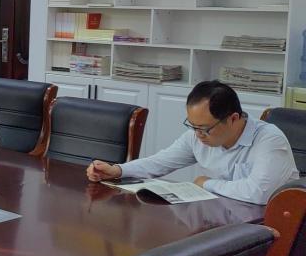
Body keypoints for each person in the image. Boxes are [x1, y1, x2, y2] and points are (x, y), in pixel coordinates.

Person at [87, 80, 298, 205]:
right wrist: (117, 170)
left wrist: (206, 183)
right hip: (224, 216)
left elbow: (260, 193)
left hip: (269, 225)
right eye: (193, 126)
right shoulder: (197, 135)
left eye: (204, 128)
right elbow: (160, 162)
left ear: (233, 118)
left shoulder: (269, 140)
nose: (198, 134)